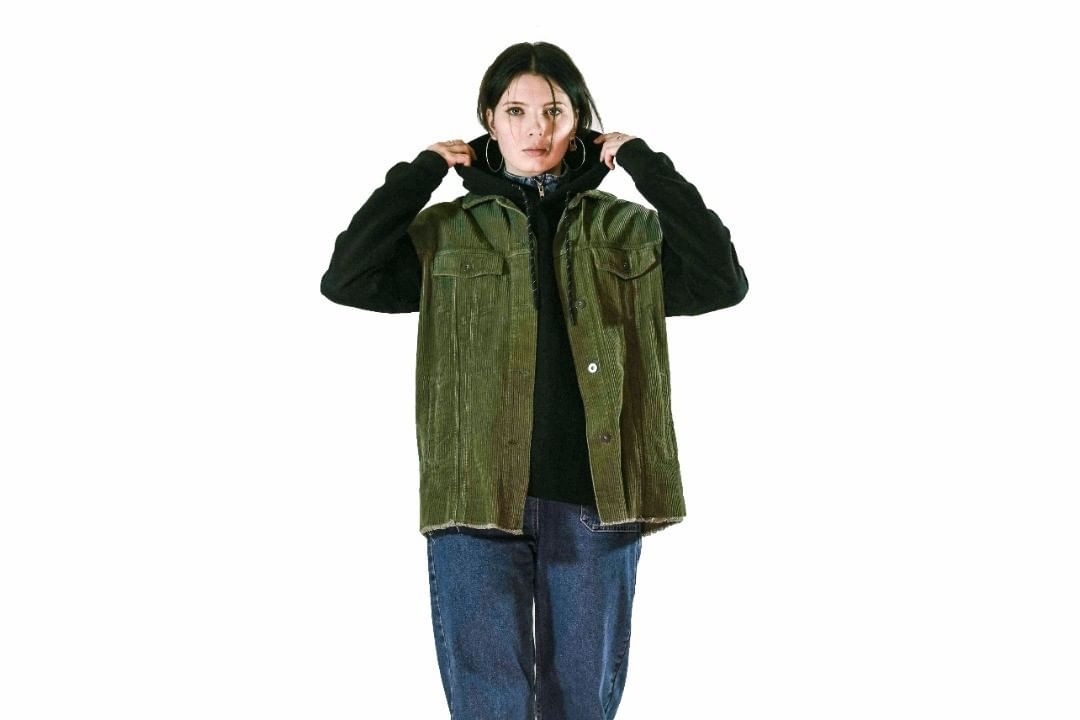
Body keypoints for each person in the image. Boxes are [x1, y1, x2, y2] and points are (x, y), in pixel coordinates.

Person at [321, 41, 747, 720]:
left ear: (580, 121)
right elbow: (347, 278)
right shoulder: (447, 232)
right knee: (489, 708)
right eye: (516, 111)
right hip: (475, 497)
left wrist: (643, 162)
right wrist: (424, 170)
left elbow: (722, 280)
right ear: (489, 120)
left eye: (554, 111)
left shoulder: (625, 229)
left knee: (580, 707)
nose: (536, 129)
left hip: (597, 499)